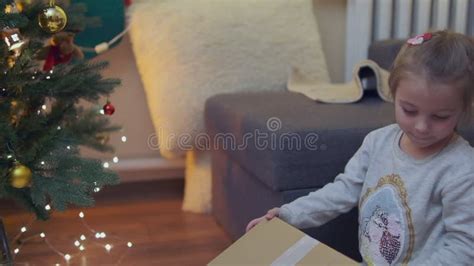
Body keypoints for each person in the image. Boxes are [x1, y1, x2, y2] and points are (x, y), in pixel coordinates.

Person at [246, 30, 474, 265]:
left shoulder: (462, 169)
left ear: (464, 108)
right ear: (393, 94)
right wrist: (289, 214)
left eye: (440, 116)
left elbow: (465, 247)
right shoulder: (377, 142)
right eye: (409, 110)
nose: (422, 127)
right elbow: (341, 191)